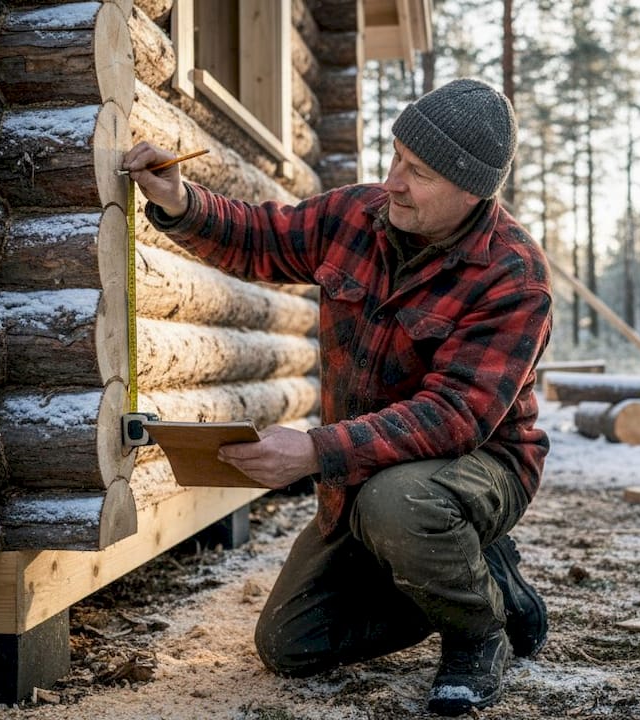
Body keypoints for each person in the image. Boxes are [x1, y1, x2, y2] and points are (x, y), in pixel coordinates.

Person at [123, 77, 552, 716]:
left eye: (420, 173)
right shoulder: (359, 212)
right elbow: (263, 238)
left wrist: (316, 450)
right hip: (365, 469)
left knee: (398, 502)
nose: (394, 182)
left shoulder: (514, 275)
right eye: (397, 158)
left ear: (473, 191)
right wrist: (180, 201)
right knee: (290, 644)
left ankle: (477, 634)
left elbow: (454, 415)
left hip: (479, 466)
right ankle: (476, 577)